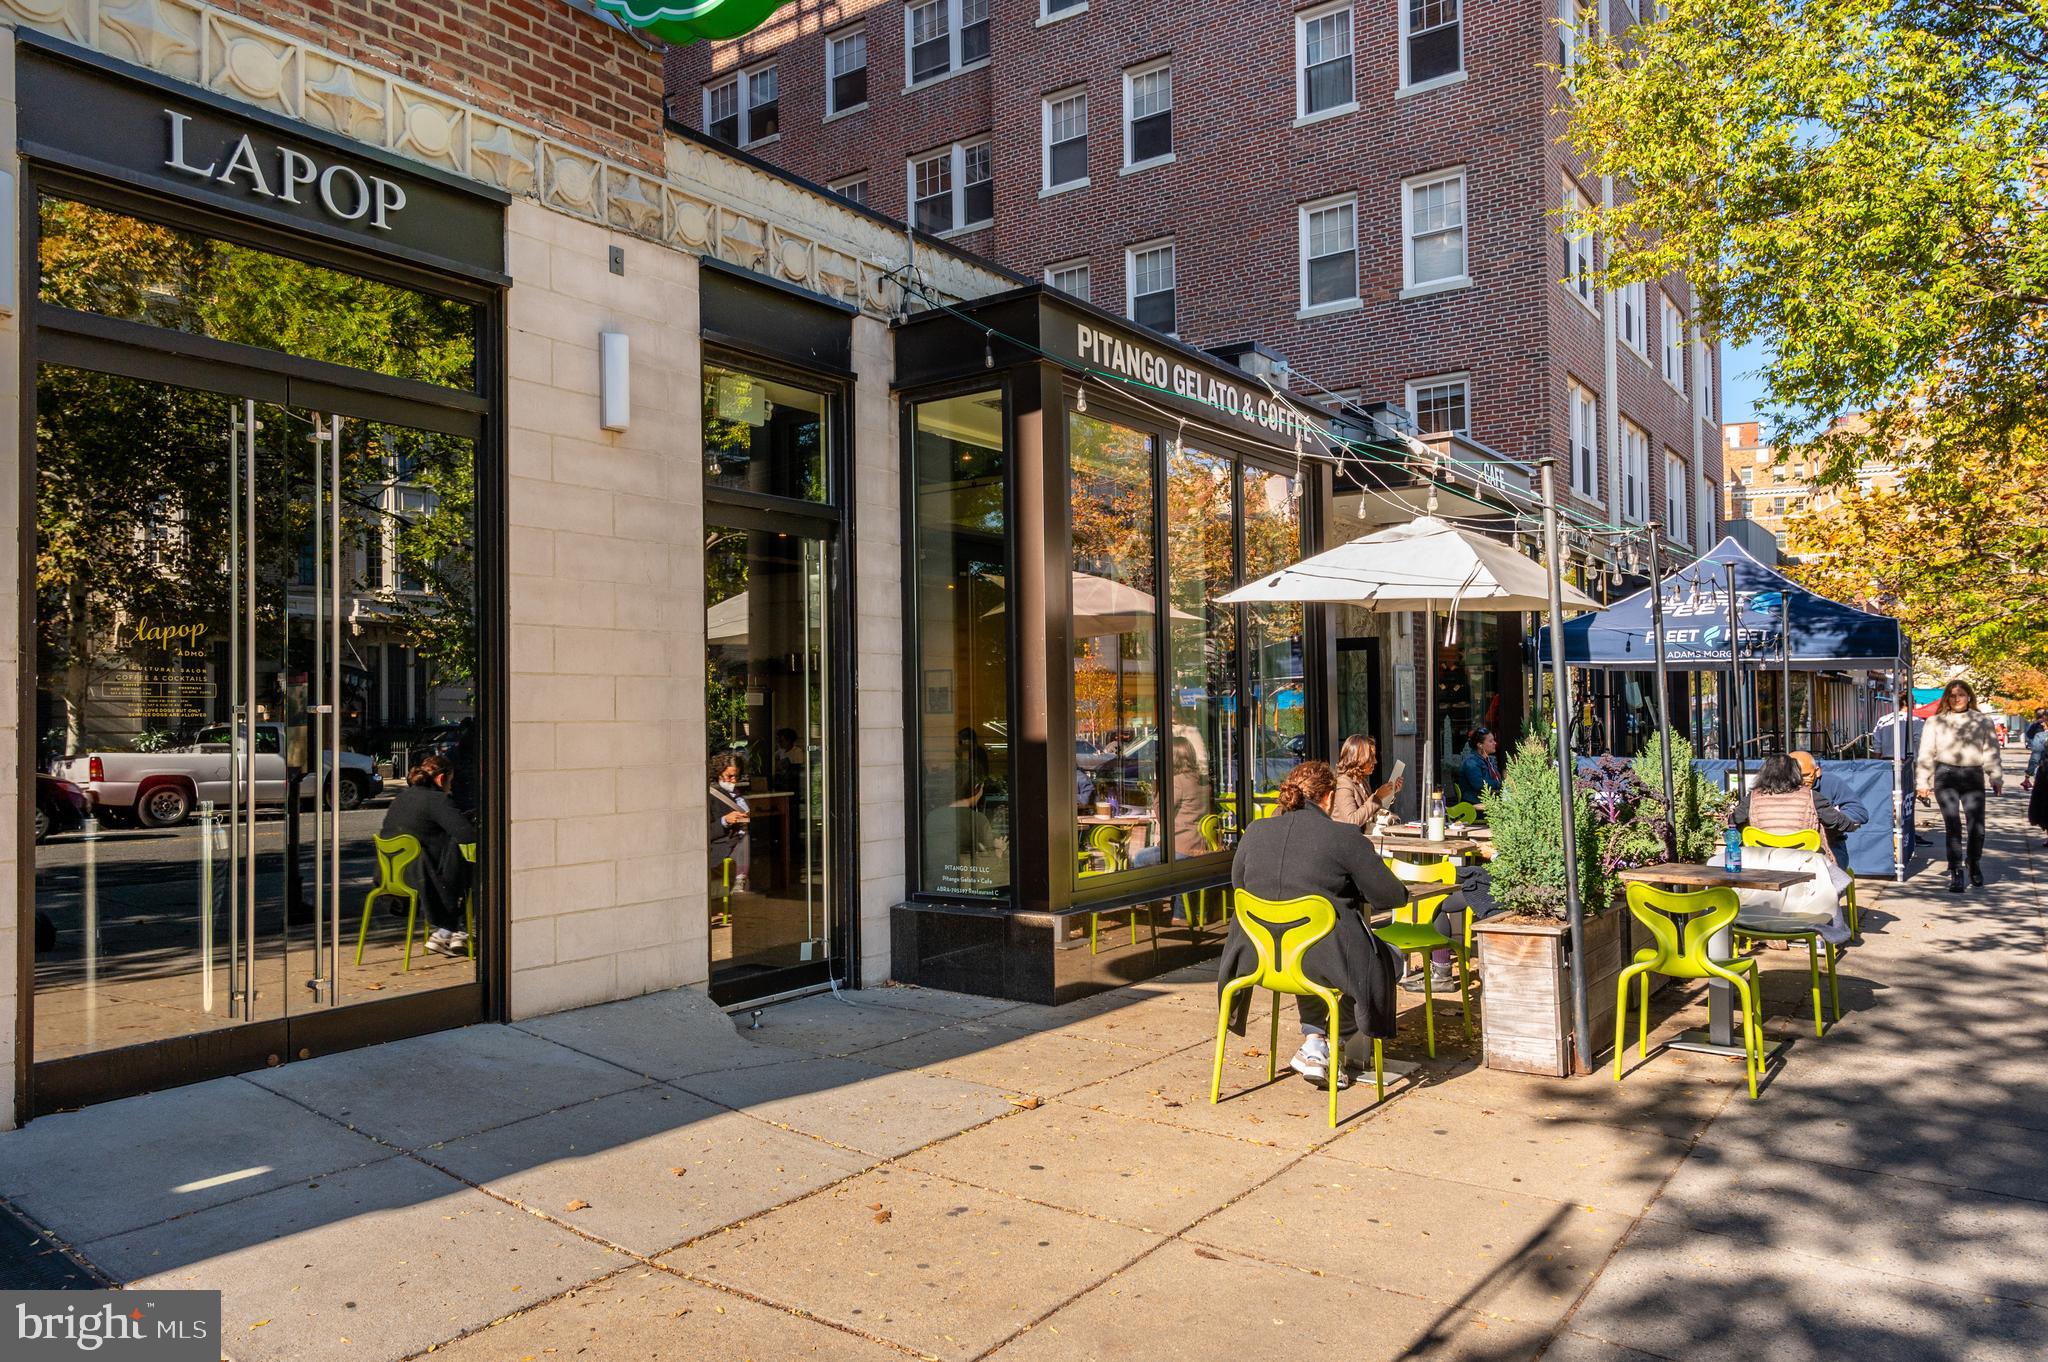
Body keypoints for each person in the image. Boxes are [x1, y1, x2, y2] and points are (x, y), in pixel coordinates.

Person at [1218, 760, 1407, 1089]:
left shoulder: (1255, 831)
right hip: (1321, 962)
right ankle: (1334, 1042)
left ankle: (1315, 1043)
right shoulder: (1343, 837)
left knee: (1314, 949)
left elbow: (1239, 883)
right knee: (1390, 960)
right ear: (1329, 797)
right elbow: (1391, 896)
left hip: (1257, 960)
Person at [380, 754, 479, 957]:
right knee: (464, 859)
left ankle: (451, 931)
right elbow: (467, 835)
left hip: (393, 877)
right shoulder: (437, 800)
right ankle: (450, 930)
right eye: (450, 782)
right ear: (442, 779)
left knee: (452, 854)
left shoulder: (403, 797)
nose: (451, 787)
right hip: (423, 878)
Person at [1914, 679, 2003, 893]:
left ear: (1969, 696)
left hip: (1973, 774)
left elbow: (1991, 751)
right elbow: (1926, 753)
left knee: (1977, 827)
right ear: (1947, 698)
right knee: (1953, 825)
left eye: (1961, 695)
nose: (1956, 699)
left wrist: (1995, 777)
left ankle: (1974, 862)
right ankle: (1955, 869)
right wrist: (1922, 781)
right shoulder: (1935, 722)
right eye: (1952, 695)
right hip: (1946, 774)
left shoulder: (1982, 721)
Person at [923, 769, 1000, 892]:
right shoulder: (978, 819)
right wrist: (1000, 849)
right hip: (969, 885)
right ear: (977, 788)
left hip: (936, 884)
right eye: (982, 788)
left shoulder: (933, 815)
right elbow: (990, 855)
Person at [1329, 734, 1403, 829]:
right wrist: (1377, 797)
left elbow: (1369, 812)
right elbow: (1351, 821)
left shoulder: (1362, 782)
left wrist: (1389, 793)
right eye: (1371, 757)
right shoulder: (1343, 784)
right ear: (1357, 758)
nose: (1375, 761)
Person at [708, 751, 752, 893]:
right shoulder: (710, 796)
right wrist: (725, 821)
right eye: (729, 776)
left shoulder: (737, 795)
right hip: (721, 847)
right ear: (719, 774)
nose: (733, 780)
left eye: (736, 776)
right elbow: (705, 833)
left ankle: (741, 878)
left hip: (736, 847)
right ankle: (740, 878)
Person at [1456, 725, 1503, 807]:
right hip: (1475, 805)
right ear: (1480, 745)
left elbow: (1497, 779)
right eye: (1490, 741)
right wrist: (1500, 784)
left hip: (1488, 801)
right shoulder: (1471, 762)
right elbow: (1479, 785)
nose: (1495, 743)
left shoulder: (1489, 760)